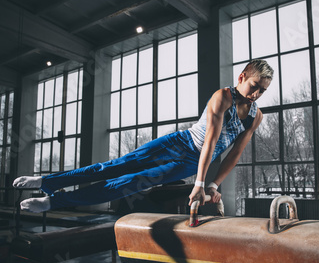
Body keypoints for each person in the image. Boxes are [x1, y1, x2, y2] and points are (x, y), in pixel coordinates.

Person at [14, 59, 273, 213]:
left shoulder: (255, 116)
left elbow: (235, 154)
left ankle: (53, 202)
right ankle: (46, 181)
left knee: (129, 183)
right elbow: (210, 141)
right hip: (181, 143)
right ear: (241, 77)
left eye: (262, 90)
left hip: (191, 162)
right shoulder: (223, 96)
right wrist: (199, 184)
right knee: (115, 166)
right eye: (254, 86)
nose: (256, 94)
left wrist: (214, 185)